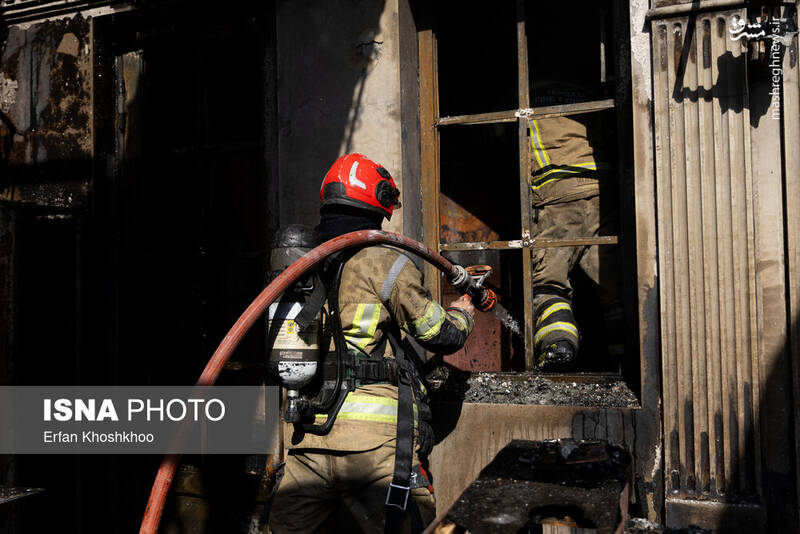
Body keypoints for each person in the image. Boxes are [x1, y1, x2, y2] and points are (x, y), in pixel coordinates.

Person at [269, 153, 475, 533]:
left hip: (307, 438)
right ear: (378, 202)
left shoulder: (300, 261)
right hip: (372, 448)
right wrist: (464, 310)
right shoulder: (385, 262)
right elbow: (442, 335)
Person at [528, 81, 624, 370]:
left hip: (557, 191)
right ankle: (627, 357)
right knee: (613, 287)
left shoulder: (526, 95)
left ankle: (558, 350)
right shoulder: (588, 92)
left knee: (549, 285)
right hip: (601, 187)